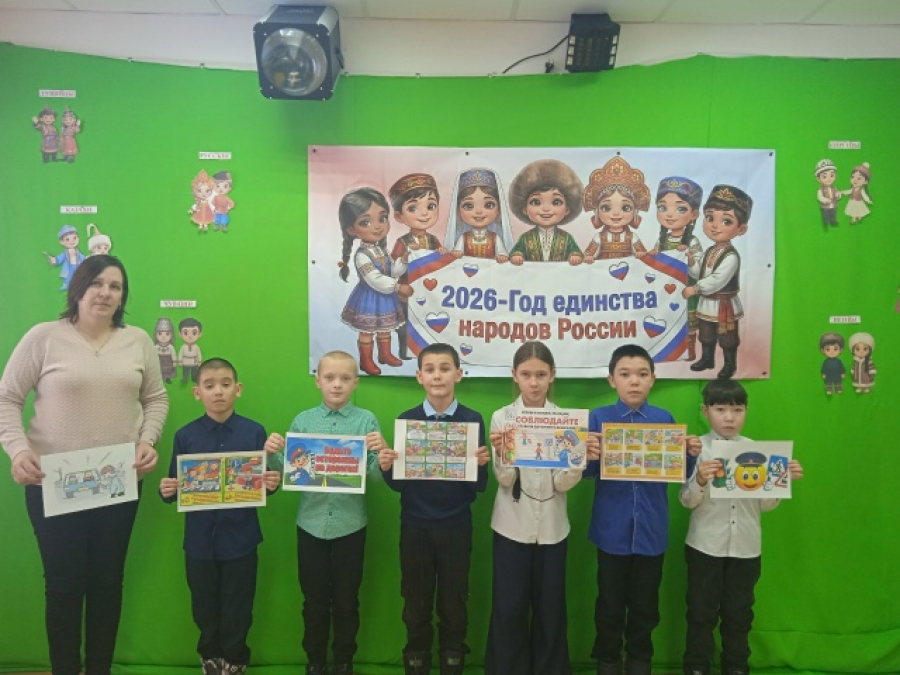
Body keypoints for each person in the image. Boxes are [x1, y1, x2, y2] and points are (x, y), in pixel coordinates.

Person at [0, 254, 168, 675]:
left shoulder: (138, 341)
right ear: (78, 287)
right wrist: (17, 451)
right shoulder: (44, 337)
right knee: (63, 586)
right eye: (97, 283)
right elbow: (7, 397)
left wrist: (147, 441)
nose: (105, 293)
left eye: (115, 286)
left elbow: (155, 398)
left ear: (123, 297)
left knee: (108, 584)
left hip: (118, 482)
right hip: (52, 483)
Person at [264, 350, 388, 675]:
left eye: (345, 378)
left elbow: (374, 476)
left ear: (355, 382)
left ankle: (344, 662)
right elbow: (290, 472)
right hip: (310, 525)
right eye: (330, 378)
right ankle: (315, 662)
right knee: (314, 601)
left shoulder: (367, 422)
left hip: (351, 525)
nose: (337, 385)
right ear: (318, 381)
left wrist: (383, 457)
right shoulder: (303, 422)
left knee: (347, 601)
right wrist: (272, 454)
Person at [583, 344, 701, 675]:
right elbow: (587, 473)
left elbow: (679, 472)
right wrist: (587, 454)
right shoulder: (598, 418)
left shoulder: (665, 420)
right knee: (609, 605)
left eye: (642, 374)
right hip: (611, 531)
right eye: (625, 374)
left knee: (645, 606)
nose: (634, 381)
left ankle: (640, 661)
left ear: (653, 379)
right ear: (612, 380)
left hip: (651, 531)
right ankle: (608, 661)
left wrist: (690, 454)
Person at [159, 357, 280, 675]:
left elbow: (263, 485)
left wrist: (272, 483)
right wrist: (167, 489)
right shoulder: (185, 436)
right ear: (197, 392)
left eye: (225, 385)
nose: (218, 392)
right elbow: (175, 487)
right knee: (204, 606)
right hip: (199, 541)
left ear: (237, 389)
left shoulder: (254, 432)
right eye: (209, 385)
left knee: (239, 605)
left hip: (241, 539)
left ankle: (236, 660)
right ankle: (210, 657)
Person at [485, 341, 598, 675]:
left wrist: (577, 461)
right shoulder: (502, 417)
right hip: (510, 526)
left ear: (552, 376)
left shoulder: (566, 420)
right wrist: (503, 454)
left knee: (550, 610)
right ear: (514, 376)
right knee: (509, 608)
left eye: (540, 375)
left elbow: (561, 484)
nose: (533, 383)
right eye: (526, 375)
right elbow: (505, 480)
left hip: (552, 528)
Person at [378, 343, 490, 675]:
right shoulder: (407, 420)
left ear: (458, 374)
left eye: (444, 368)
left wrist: (482, 464)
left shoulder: (472, 420)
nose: (437, 375)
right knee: (415, 600)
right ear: (419, 376)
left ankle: (453, 656)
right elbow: (399, 485)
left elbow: (478, 486)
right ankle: (416, 656)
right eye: (430, 369)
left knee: (454, 600)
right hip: (415, 526)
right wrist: (388, 466)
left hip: (456, 526)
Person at [680, 379, 803, 675]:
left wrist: (781, 481)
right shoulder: (697, 450)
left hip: (746, 549)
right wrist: (700, 480)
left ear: (746, 411)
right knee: (700, 614)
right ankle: (696, 668)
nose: (729, 417)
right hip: (704, 546)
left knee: (739, 614)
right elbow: (686, 501)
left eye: (737, 410)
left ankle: (736, 667)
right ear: (705, 411)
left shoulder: (759, 452)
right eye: (720, 409)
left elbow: (766, 506)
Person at [338, 187, 412, 375]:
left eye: (382, 218)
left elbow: (392, 271)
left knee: (385, 329)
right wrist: (397, 287)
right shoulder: (362, 255)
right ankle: (366, 360)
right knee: (367, 331)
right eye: (366, 222)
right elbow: (374, 279)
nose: (378, 226)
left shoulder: (381, 250)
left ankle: (385, 354)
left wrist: (403, 261)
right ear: (351, 229)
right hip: (369, 298)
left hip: (386, 297)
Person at [682, 185, 753, 380]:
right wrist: (691, 263)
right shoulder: (710, 251)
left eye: (726, 221)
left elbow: (717, 280)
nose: (715, 226)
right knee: (706, 333)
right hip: (707, 302)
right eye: (710, 218)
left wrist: (696, 288)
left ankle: (730, 364)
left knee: (727, 336)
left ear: (741, 229)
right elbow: (700, 272)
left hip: (724, 304)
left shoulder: (731, 256)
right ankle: (707, 359)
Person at [648, 177, 705, 360]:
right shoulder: (661, 241)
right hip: (666, 290)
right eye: (663, 208)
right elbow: (655, 267)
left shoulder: (692, 242)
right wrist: (653, 257)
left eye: (680, 209)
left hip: (685, 289)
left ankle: (689, 350)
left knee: (688, 322)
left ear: (694, 214)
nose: (670, 215)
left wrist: (689, 260)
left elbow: (698, 272)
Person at [389, 174, 444, 360]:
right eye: (413, 208)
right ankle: (405, 352)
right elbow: (393, 269)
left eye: (431, 206)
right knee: (406, 324)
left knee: (428, 322)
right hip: (408, 293)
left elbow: (440, 264)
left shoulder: (433, 240)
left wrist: (443, 254)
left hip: (429, 292)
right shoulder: (402, 242)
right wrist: (405, 258)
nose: (424, 214)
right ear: (399, 216)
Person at [508, 159, 584, 265]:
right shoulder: (525, 238)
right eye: (536, 202)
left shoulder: (566, 238)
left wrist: (575, 256)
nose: (546, 209)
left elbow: (575, 252)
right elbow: (516, 252)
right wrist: (517, 256)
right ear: (525, 209)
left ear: (567, 209)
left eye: (556, 202)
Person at [582, 156, 651, 262]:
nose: (616, 213)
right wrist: (588, 258)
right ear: (597, 211)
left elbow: (644, 255)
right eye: (606, 207)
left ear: (635, 211)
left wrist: (640, 253)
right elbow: (587, 255)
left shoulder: (632, 237)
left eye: (625, 208)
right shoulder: (599, 238)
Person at [444, 168, 514, 262]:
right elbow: (456, 252)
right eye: (469, 206)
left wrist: (502, 256)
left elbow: (502, 253)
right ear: (458, 211)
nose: (479, 212)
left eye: (488, 205)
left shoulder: (495, 238)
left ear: (499, 209)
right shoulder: (464, 238)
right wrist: (457, 253)